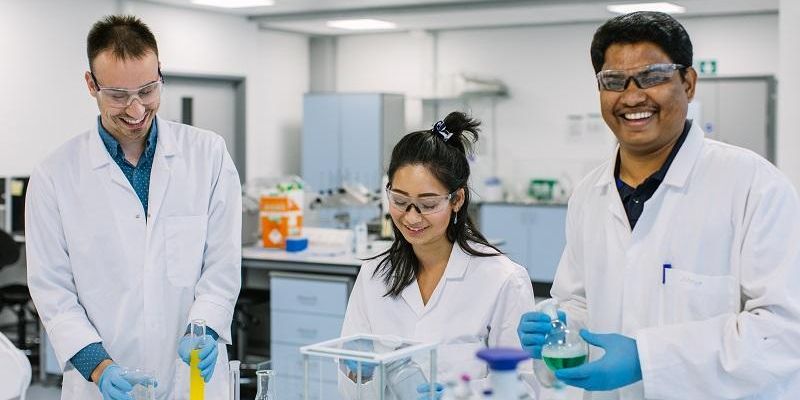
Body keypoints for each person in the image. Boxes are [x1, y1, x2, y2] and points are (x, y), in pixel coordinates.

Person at [517, 11, 800, 399]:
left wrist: (645, 357)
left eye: (652, 77)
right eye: (613, 81)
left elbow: (783, 334)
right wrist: (558, 324)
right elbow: (579, 299)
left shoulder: (754, 186)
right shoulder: (589, 194)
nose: (632, 96)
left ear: (688, 82)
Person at [25, 15, 241, 399]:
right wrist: (99, 366)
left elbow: (221, 266)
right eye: (119, 95)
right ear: (91, 85)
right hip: (103, 380)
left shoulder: (208, 155)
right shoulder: (54, 175)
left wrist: (204, 329)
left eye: (147, 90)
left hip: (190, 381)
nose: (137, 109)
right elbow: (53, 292)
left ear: (161, 74)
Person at [339, 112, 536, 399]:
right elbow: (348, 387)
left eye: (427, 204)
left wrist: (458, 394)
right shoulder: (374, 275)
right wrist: (359, 372)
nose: (411, 217)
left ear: (457, 199)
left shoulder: (503, 278)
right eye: (400, 201)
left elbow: (523, 386)